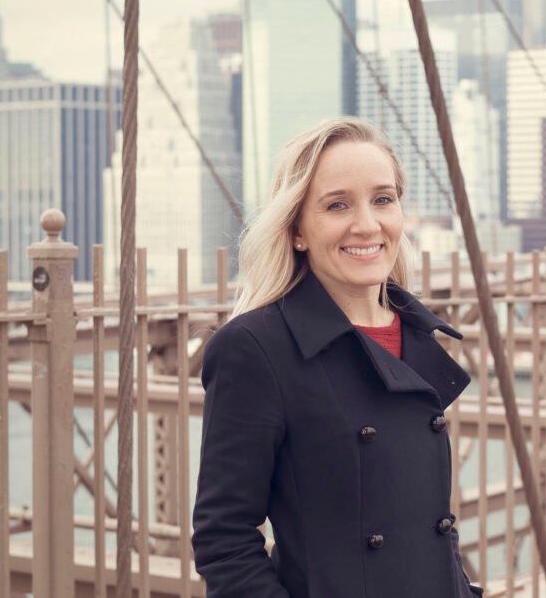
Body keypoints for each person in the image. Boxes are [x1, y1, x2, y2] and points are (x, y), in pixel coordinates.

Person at [192, 117, 484, 597]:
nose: (367, 224)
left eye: (383, 199)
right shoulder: (254, 348)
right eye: (337, 205)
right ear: (297, 230)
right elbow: (224, 541)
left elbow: (426, 524)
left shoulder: (415, 335)